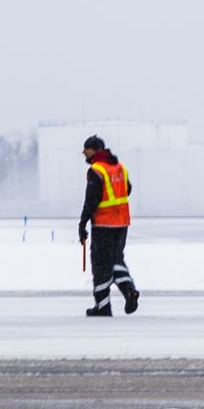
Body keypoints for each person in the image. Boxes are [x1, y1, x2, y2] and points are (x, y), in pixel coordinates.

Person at [77, 134, 140, 318]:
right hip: (122, 223)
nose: (83, 153)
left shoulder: (96, 170)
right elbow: (127, 189)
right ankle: (129, 291)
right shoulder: (119, 167)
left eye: (86, 149)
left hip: (104, 224)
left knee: (100, 264)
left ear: (95, 150)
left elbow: (91, 201)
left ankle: (103, 306)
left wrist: (82, 224)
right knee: (115, 261)